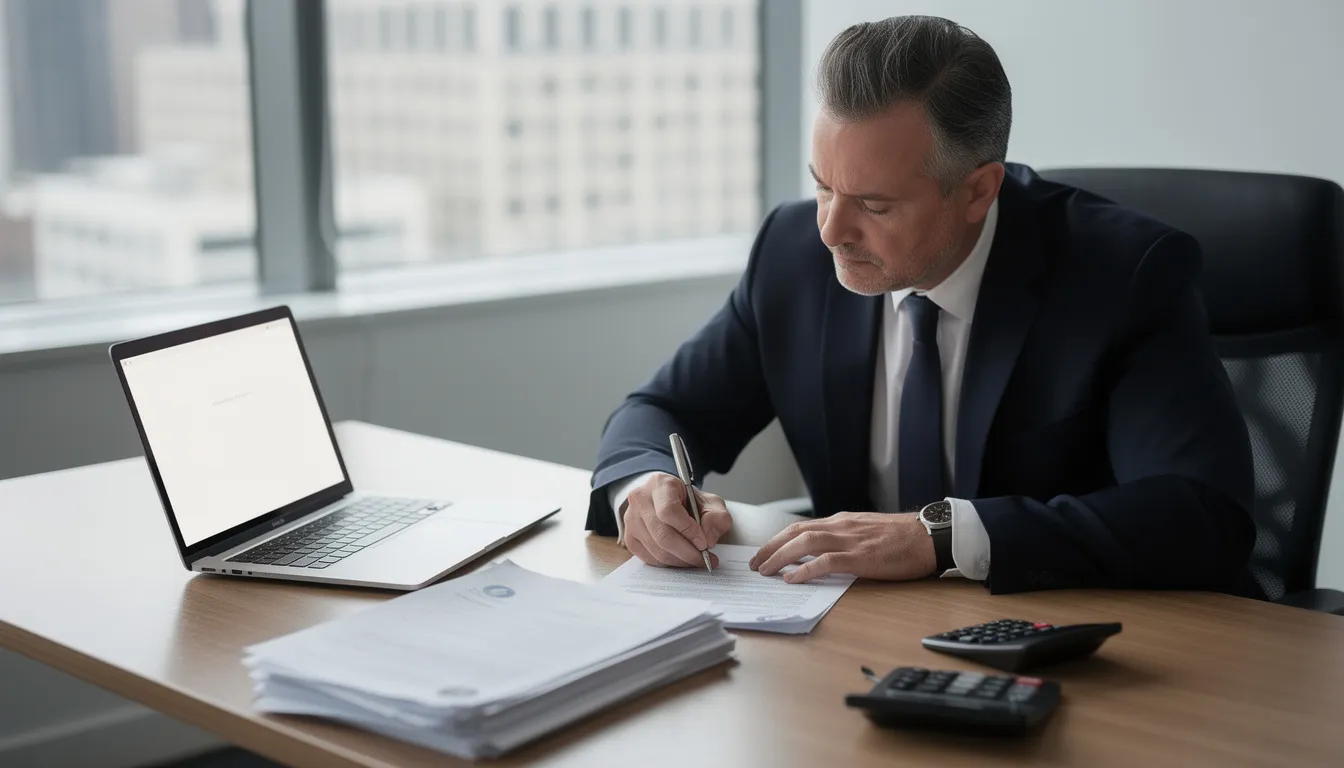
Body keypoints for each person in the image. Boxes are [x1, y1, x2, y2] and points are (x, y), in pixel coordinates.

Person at [586, 15, 1255, 593]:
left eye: (874, 205)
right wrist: (641, 486)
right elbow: (663, 412)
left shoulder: (1122, 276)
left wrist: (941, 536)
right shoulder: (791, 253)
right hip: (855, 635)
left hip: (1065, 641)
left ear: (976, 192)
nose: (831, 232)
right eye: (824, 189)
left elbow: (1198, 514)